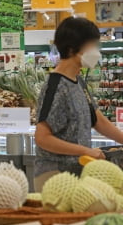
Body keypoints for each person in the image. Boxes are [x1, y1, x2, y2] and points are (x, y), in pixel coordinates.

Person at [34, 17, 123, 191]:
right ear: (72, 48)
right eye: (93, 45)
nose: (97, 51)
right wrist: (85, 151)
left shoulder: (77, 81)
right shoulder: (56, 86)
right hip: (55, 177)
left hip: (78, 173)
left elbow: (98, 120)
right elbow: (42, 137)